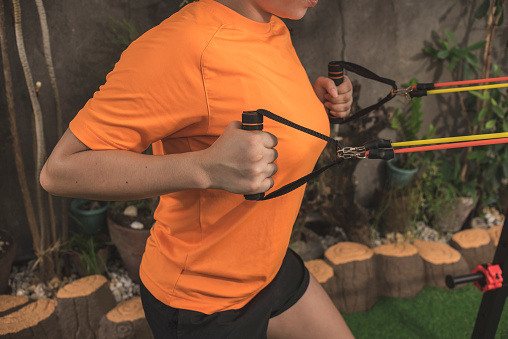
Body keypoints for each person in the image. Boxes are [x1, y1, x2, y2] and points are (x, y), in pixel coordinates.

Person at [40, 0, 355, 337]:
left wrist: (313, 107)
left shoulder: (271, 24)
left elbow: (233, 101)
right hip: (204, 302)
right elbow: (59, 171)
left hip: (269, 268)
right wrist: (204, 168)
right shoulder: (184, 44)